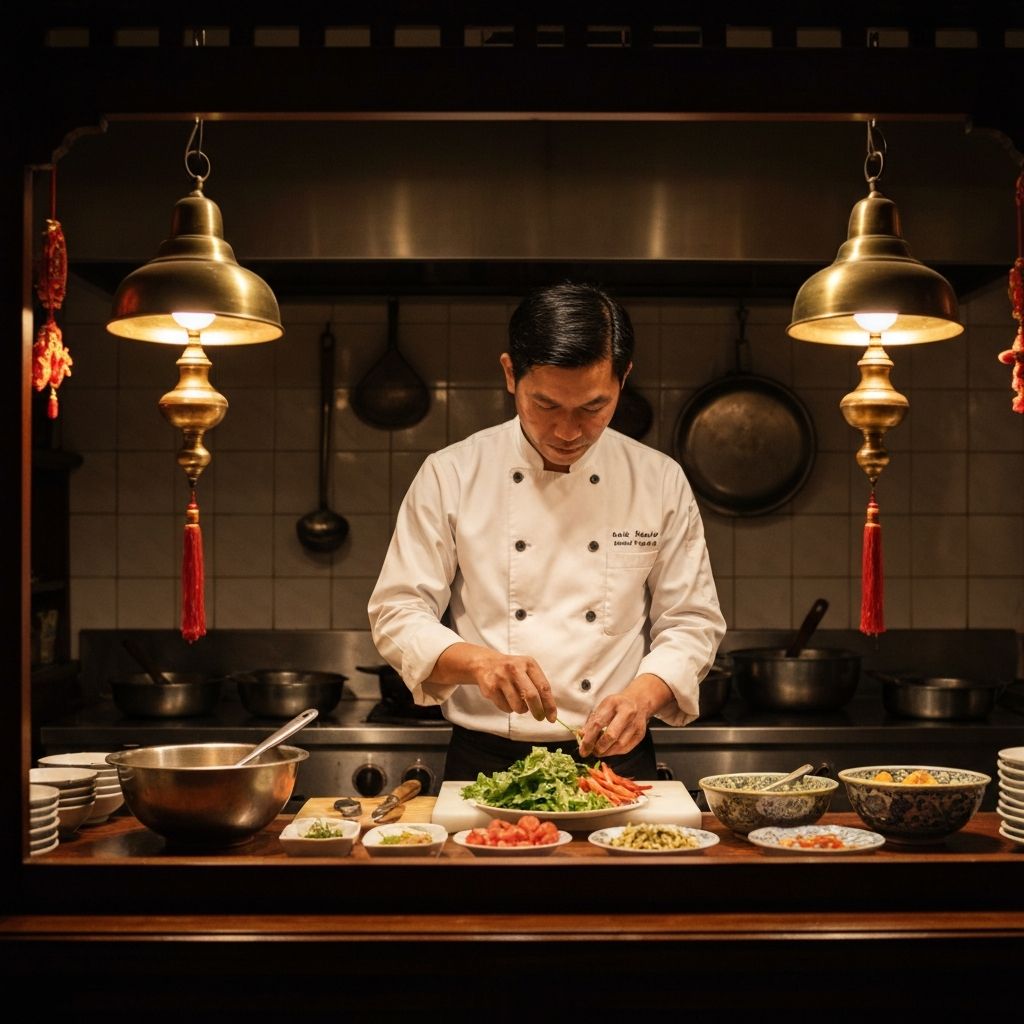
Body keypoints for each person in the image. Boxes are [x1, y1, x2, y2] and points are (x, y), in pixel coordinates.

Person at [368, 282, 725, 781]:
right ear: (511, 374)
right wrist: (477, 663)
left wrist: (643, 698)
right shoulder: (451, 473)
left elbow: (691, 621)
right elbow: (398, 612)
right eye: (547, 405)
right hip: (484, 764)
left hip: (614, 764)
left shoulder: (658, 480)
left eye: (593, 408)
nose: (567, 432)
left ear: (624, 378)